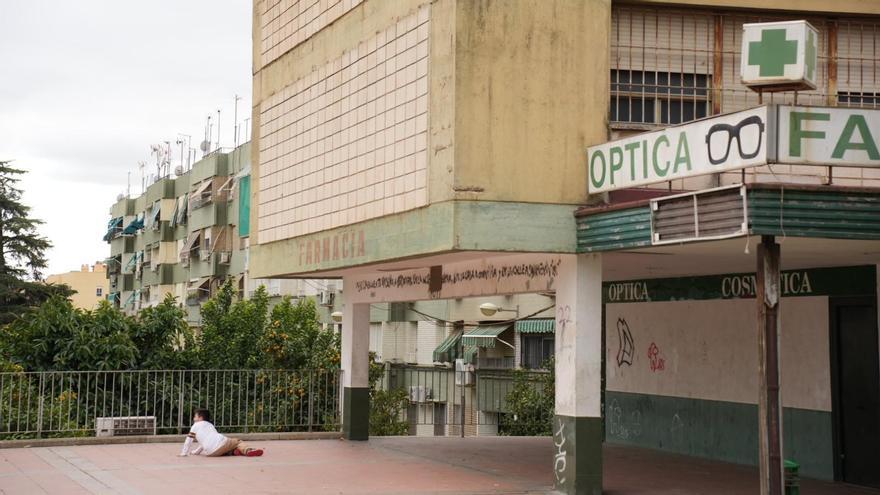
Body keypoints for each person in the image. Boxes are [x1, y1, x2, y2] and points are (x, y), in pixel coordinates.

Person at [178, 408, 264, 457]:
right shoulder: (210, 426)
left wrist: (184, 453)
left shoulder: (194, 426)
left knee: (226, 447)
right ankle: (248, 451)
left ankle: (234, 452)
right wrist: (195, 452)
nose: (193, 418)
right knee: (237, 441)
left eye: (194, 416)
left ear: (200, 418)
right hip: (221, 444)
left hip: (210, 453)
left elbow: (189, 440)